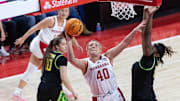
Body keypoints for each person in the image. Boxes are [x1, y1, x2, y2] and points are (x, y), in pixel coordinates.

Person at [65, 12, 149, 101]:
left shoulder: (108, 56)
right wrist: (69, 41)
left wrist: (135, 30)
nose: (93, 46)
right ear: (87, 52)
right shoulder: (86, 64)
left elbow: (125, 43)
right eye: (90, 45)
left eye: (95, 45)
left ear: (100, 50)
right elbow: (71, 59)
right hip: (100, 98)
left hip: (115, 94)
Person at [11, 8, 82, 101]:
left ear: (68, 12)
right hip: (40, 45)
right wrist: (23, 38)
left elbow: (70, 35)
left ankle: (17, 92)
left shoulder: (66, 23)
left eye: (66, 11)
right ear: (58, 11)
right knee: (53, 68)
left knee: (32, 69)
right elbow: (34, 28)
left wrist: (77, 45)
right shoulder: (50, 20)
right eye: (61, 11)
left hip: (44, 47)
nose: (63, 13)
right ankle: (64, 90)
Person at [131, 6, 175, 101]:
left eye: (155, 47)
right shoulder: (149, 62)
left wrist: (149, 15)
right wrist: (147, 14)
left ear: (157, 55)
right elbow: (145, 35)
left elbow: (146, 35)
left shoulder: (149, 61)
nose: (152, 46)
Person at [37, 37, 78, 101]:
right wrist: (73, 92)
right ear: (57, 46)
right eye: (63, 44)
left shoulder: (48, 54)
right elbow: (64, 78)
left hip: (42, 87)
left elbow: (43, 71)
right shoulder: (62, 59)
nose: (66, 46)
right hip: (54, 88)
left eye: (66, 44)